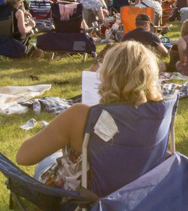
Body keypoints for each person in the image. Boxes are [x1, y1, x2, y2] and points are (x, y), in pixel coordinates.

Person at [17, 41, 163, 188]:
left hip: (82, 201)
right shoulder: (158, 114)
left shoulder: (81, 115)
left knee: (51, 157)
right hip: (134, 195)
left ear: (107, 74)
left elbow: (23, 156)